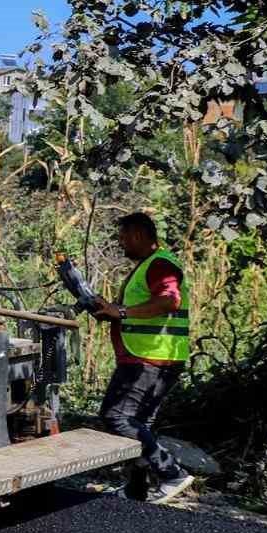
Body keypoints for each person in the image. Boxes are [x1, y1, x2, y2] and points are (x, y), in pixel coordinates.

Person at [91, 211, 195, 504]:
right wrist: (110, 310)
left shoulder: (160, 264)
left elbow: (169, 300)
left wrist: (120, 311)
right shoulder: (150, 265)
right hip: (150, 357)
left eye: (123, 238)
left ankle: (171, 473)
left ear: (138, 235)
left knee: (116, 416)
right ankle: (136, 489)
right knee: (138, 424)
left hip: (149, 359)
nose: (122, 244)